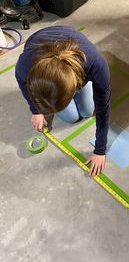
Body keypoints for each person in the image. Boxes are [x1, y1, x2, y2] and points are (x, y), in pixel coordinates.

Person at [15, 26, 111, 177]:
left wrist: (100, 150)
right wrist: (36, 111)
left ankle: (86, 84)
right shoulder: (25, 65)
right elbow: (22, 82)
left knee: (87, 111)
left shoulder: (96, 64)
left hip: (79, 60)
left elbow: (103, 110)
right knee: (71, 117)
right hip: (40, 44)